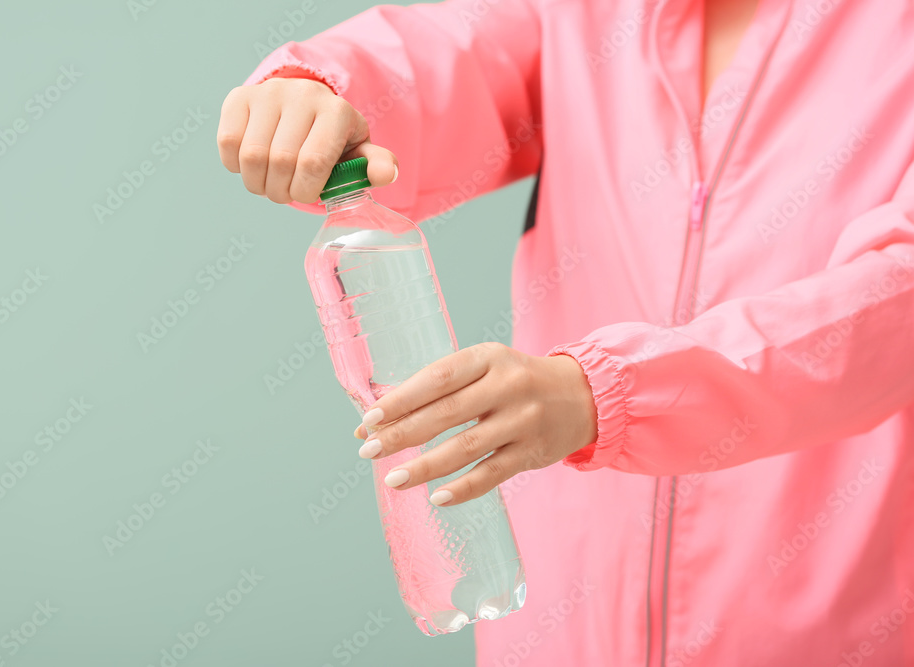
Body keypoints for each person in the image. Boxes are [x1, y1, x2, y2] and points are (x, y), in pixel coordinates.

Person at [217, 0, 914, 664]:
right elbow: (446, 55)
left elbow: (892, 307)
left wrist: (612, 393)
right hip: (562, 629)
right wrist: (316, 91)